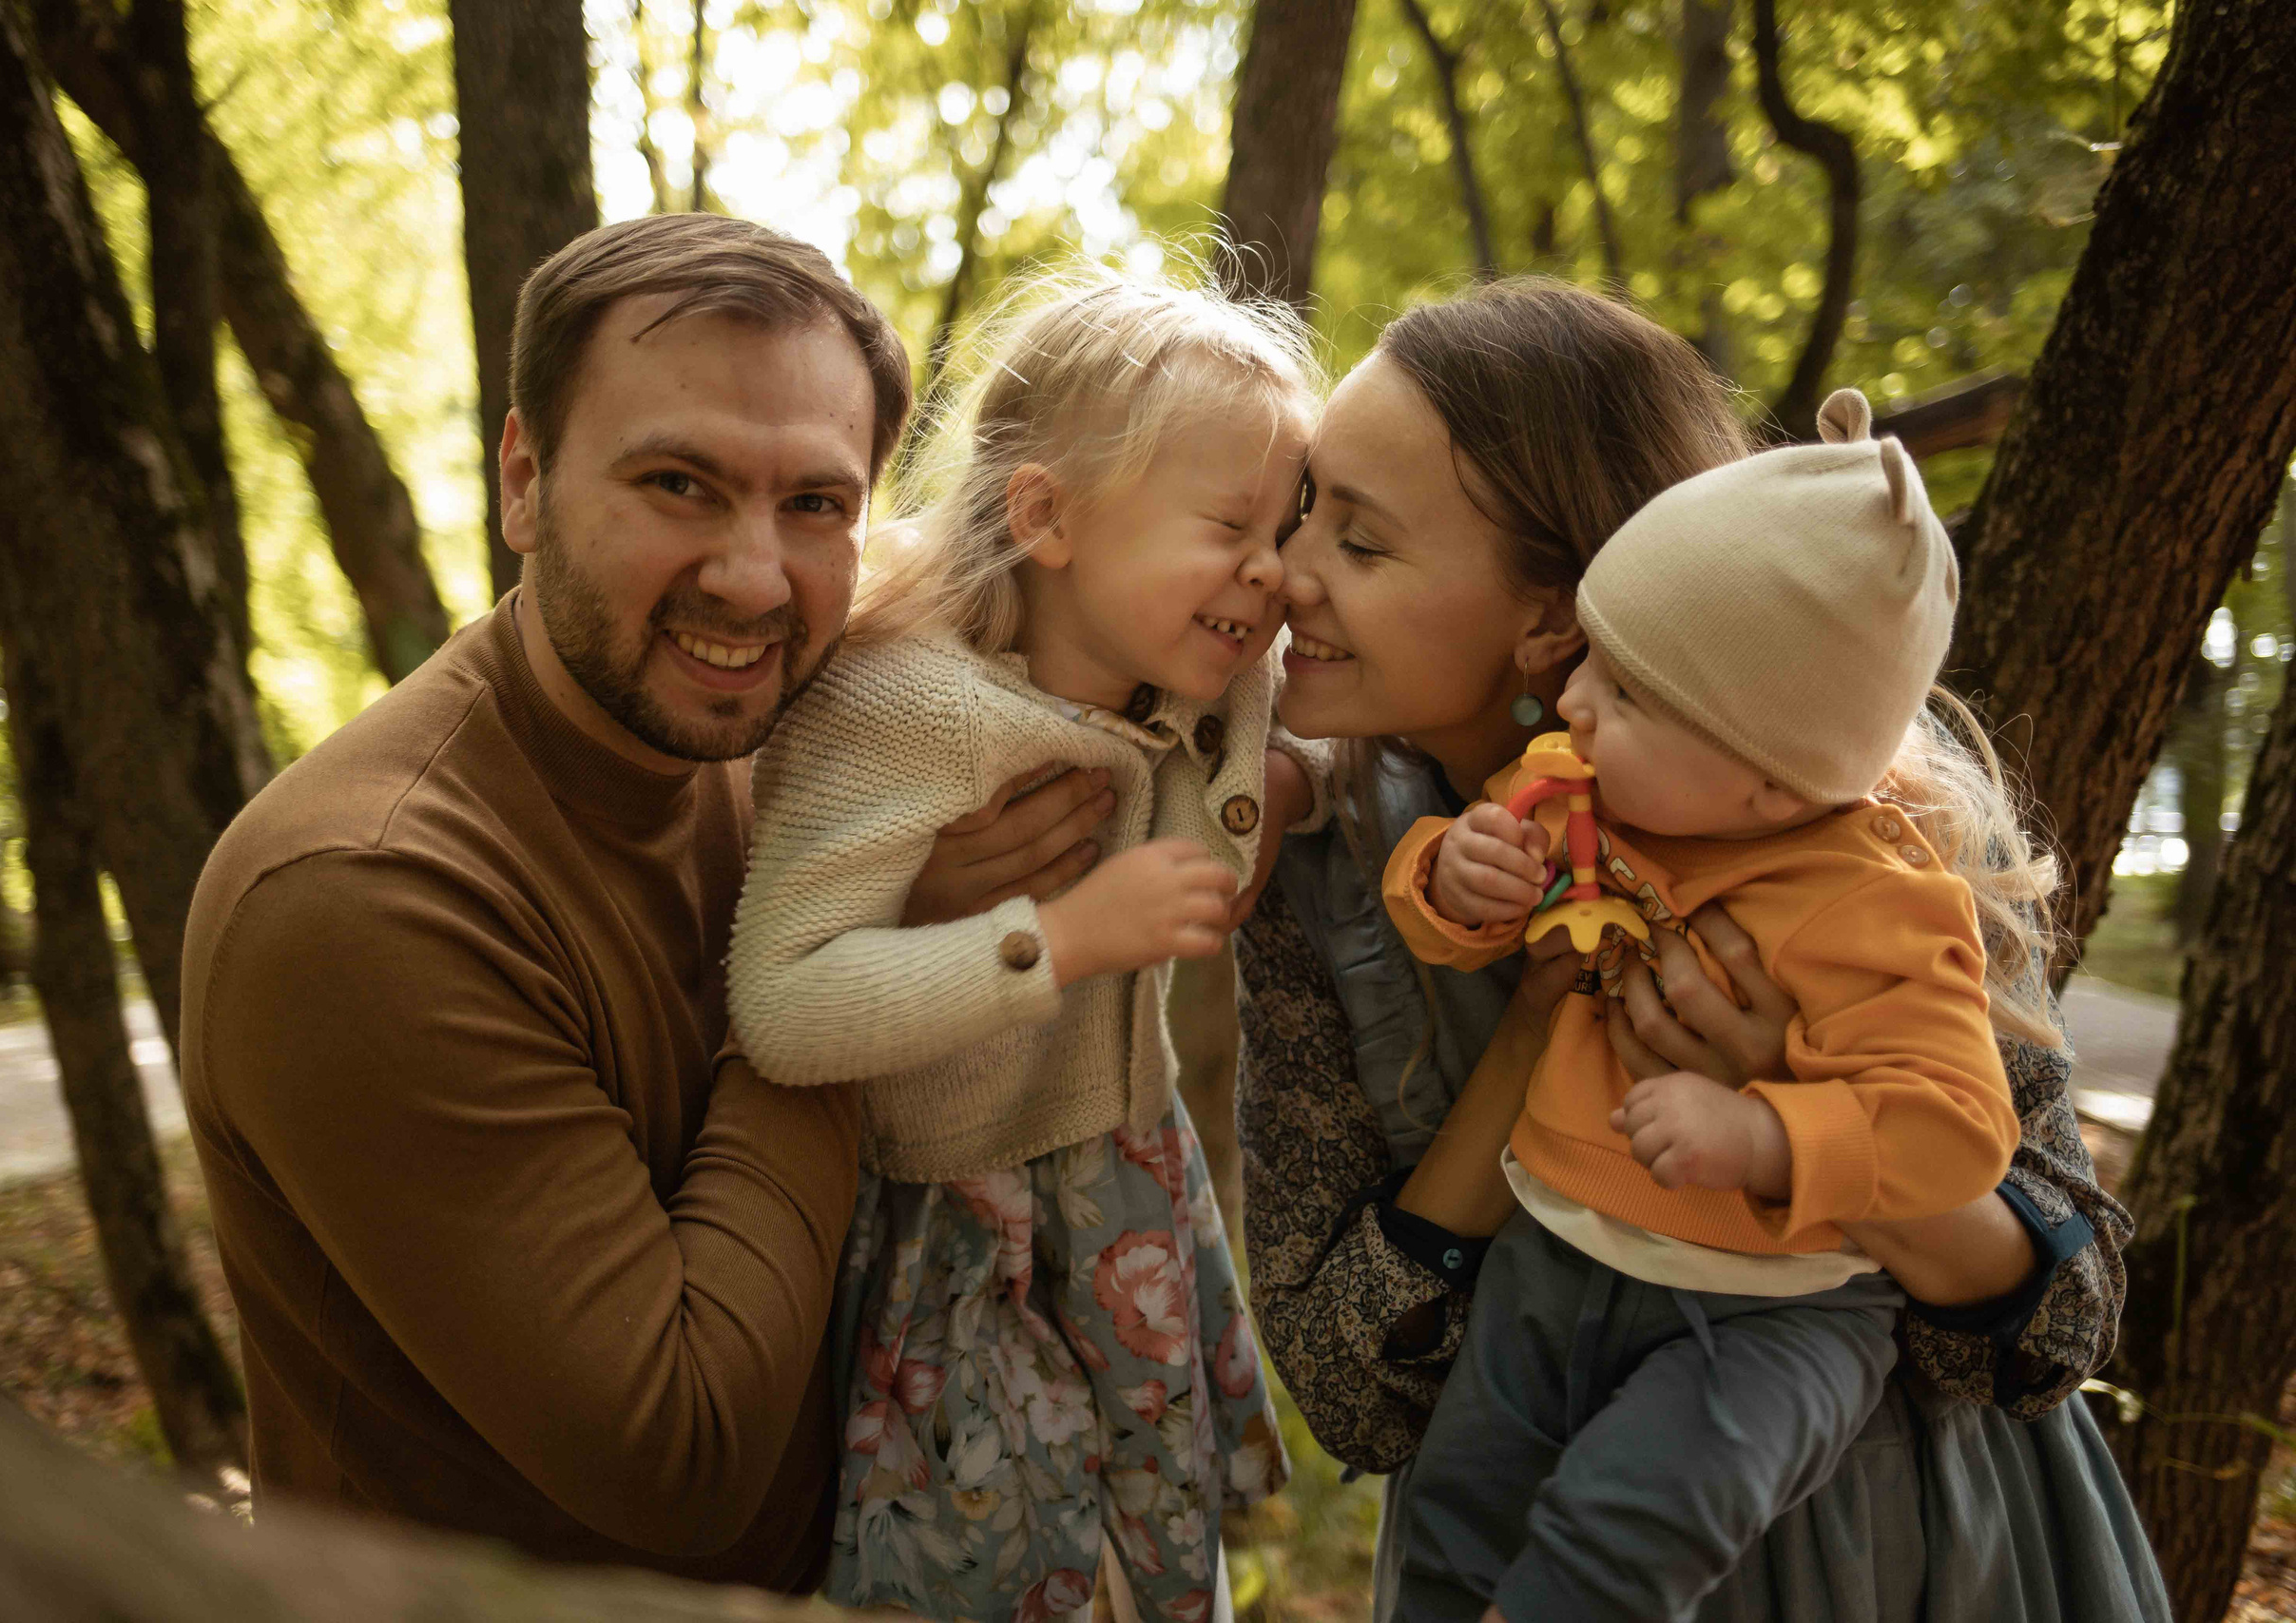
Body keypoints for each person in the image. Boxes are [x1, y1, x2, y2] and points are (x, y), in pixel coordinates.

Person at [177, 213, 1102, 1587]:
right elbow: (684, 1456)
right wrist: (860, 963)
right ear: (524, 481)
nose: (753, 576)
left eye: (816, 505)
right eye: (678, 483)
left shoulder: (792, 753)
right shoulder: (363, 897)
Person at [1237, 277, 2169, 1621]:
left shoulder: (1872, 833)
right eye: (1304, 508)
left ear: (1553, 618)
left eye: (1363, 541)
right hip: (1521, 1548)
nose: (1287, 569)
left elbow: (2058, 1327)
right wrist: (1540, 1025)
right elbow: (1350, 1388)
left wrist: (1789, 1104)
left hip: (1887, 1550)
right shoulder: (1320, 857)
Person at [1375, 389, 2060, 1623]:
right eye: (1591, 660)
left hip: (1771, 1313)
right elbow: (1444, 913)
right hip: (1554, 1252)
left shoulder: (1881, 908)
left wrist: (1768, 1132)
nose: (1573, 703)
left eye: (1627, 692)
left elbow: (1959, 1132)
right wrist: (1453, 876)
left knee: (1629, 1530)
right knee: (1459, 1512)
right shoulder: (1587, 792)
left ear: (1769, 780)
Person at [726, 276, 1315, 1623]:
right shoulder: (907, 711)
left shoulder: (1190, 674)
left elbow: (1307, 739)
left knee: (1146, 1564)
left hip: (1122, 1182)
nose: (1273, 570)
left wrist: (1304, 783)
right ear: (1047, 517)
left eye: (1286, 530)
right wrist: (1056, 939)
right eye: (1231, 527)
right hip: (956, 1226)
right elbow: (783, 1003)